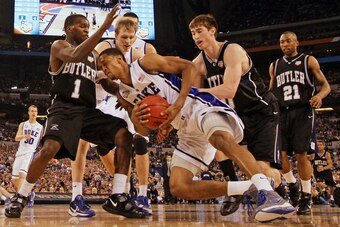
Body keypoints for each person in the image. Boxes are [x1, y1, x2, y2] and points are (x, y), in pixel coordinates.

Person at [98, 48, 295, 223]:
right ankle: (248, 187)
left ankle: (268, 194)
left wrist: (178, 104)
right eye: (101, 66)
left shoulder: (145, 63)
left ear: (120, 60)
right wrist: (143, 119)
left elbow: (189, 67)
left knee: (218, 138)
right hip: (184, 128)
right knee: (178, 186)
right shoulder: (123, 93)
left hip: (197, 105)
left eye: (105, 63)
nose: (104, 69)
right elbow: (143, 132)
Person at [5, 5, 143, 219]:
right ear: (69, 29)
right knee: (50, 147)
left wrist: (124, 99)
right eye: (82, 26)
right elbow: (76, 54)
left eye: (89, 27)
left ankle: (118, 195)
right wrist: (104, 26)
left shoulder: (95, 55)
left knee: (123, 134)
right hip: (63, 108)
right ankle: (21, 195)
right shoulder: (59, 46)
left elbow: (105, 82)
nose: (87, 29)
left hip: (87, 111)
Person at [189, 14, 283, 216]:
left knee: (261, 168)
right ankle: (234, 186)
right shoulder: (198, 63)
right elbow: (194, 100)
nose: (195, 36)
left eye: (199, 31)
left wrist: (196, 92)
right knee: (216, 139)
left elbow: (230, 90)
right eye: (192, 33)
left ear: (212, 31)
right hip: (236, 115)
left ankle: (278, 191)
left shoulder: (232, 50)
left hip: (261, 111)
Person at [69, 17, 150, 217]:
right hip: (91, 95)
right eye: (124, 36)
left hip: (114, 98)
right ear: (116, 34)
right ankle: (76, 195)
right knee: (82, 145)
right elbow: (90, 67)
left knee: (134, 141)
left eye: (132, 34)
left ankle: (134, 192)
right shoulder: (102, 47)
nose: (128, 40)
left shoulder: (141, 52)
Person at [269, 31, 331, 215]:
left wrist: (319, 96)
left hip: (303, 111)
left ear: (296, 42)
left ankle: (306, 196)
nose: (284, 44)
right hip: (282, 112)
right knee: (280, 155)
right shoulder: (275, 65)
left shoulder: (308, 60)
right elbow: (271, 91)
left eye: (288, 41)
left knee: (301, 154)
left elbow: (326, 85)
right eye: (281, 42)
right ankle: (292, 184)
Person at [12, 105, 43, 208]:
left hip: (30, 152)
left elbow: (41, 143)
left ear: (37, 113)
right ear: (28, 112)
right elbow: (16, 138)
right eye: (32, 111)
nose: (34, 113)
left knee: (22, 174)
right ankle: (29, 195)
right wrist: (24, 136)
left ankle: (19, 199)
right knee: (15, 181)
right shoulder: (23, 124)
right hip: (20, 152)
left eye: (35, 111)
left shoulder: (40, 127)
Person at [310, 140, 336, 207]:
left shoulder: (327, 154)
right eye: (318, 145)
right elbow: (310, 163)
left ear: (324, 146)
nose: (319, 146)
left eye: (321, 145)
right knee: (319, 184)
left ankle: (332, 199)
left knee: (331, 186)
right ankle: (326, 190)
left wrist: (323, 168)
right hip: (317, 172)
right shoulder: (314, 154)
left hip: (326, 171)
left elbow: (330, 165)